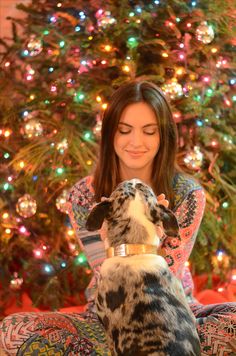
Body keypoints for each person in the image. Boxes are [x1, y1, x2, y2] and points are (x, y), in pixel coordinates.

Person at [0, 80, 235, 355]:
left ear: (164, 137)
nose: (136, 142)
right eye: (125, 130)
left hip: (175, 315)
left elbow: (165, 278)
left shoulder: (187, 194)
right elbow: (110, 278)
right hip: (108, 312)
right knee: (10, 333)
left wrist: (153, 233)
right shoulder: (83, 195)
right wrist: (113, 242)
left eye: (149, 132)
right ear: (111, 133)